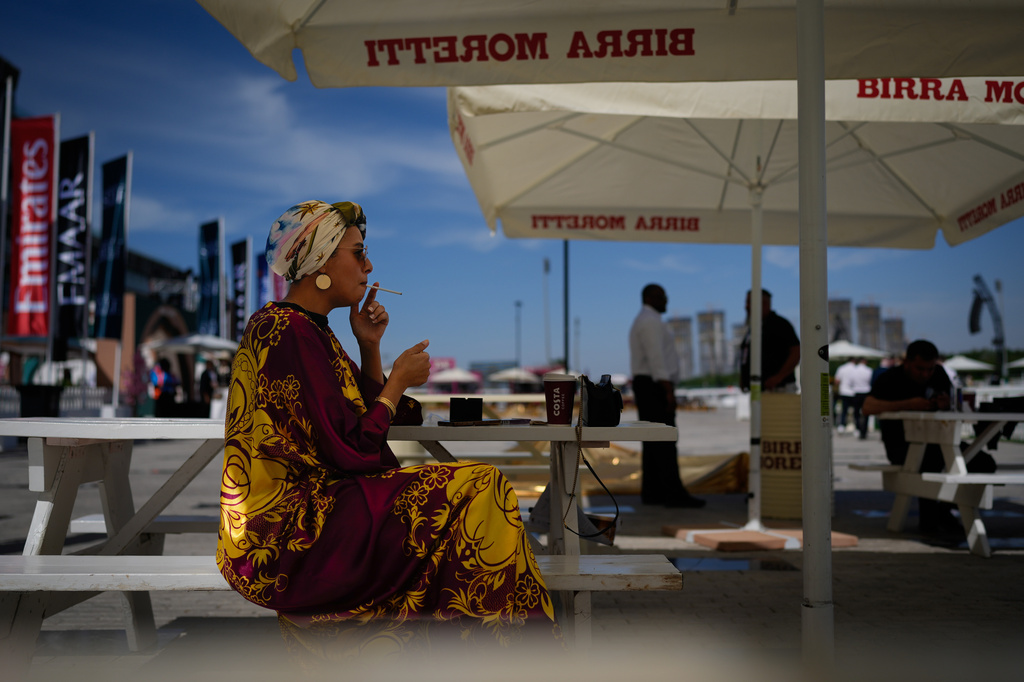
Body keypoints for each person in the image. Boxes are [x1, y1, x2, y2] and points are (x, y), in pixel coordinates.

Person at [217, 200, 557, 661]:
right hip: (289, 533)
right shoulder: (285, 331)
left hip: (319, 511)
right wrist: (396, 381)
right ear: (319, 260)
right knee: (481, 488)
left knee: (476, 500)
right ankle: (512, 654)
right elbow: (353, 450)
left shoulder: (307, 331)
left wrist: (369, 348)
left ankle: (497, 652)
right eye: (358, 253)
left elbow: (373, 421)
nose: (369, 265)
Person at [863, 339, 996, 534]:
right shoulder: (890, 377)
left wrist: (945, 403)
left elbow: (951, 400)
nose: (925, 374)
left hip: (941, 442)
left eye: (930, 369)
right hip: (902, 446)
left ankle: (949, 510)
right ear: (906, 362)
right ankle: (934, 520)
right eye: (920, 369)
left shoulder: (939, 374)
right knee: (931, 464)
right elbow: (867, 407)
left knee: (984, 463)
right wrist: (909, 404)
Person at [629, 284, 705, 508]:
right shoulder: (650, 321)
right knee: (665, 439)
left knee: (653, 441)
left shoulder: (644, 320)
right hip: (654, 385)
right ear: (651, 297)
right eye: (663, 297)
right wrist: (667, 389)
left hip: (649, 384)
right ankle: (672, 493)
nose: (667, 300)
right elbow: (656, 359)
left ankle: (654, 492)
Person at [739, 289, 800, 393]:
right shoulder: (754, 327)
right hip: (760, 390)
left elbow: (796, 351)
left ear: (763, 304)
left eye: (749, 302)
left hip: (779, 389)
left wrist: (778, 377)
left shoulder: (779, 325)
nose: (746, 307)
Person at [834, 357, 873, 438]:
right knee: (863, 412)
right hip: (862, 392)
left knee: (847, 410)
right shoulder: (867, 370)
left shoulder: (843, 368)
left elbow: (838, 381)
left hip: (848, 392)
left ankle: (842, 426)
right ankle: (860, 429)